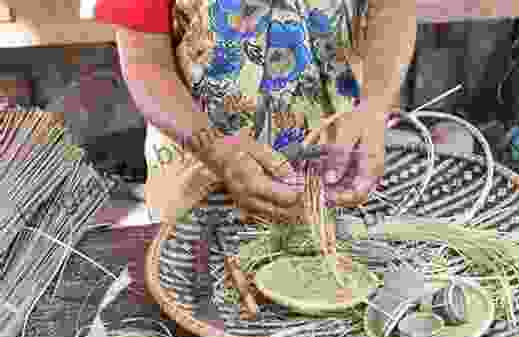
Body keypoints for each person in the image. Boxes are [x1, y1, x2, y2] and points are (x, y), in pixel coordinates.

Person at [91, 0, 417, 223]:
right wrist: (218, 153)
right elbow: (147, 62)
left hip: (337, 167)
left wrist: (374, 108)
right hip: (200, 173)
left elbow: (392, 8)